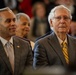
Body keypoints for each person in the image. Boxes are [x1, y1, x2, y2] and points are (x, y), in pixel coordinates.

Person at [33, 5, 76, 69]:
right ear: (51, 22)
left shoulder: (75, 42)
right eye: (58, 18)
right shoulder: (41, 44)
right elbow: (41, 71)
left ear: (70, 22)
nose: (62, 21)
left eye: (66, 18)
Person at [0, 7, 33, 75]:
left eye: (14, 20)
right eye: (8, 21)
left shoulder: (25, 45)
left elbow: (30, 71)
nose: (13, 24)